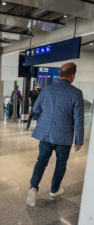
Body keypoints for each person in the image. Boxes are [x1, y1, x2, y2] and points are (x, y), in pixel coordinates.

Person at [26, 63, 84, 207]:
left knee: (41, 161)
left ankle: (33, 187)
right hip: (64, 137)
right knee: (61, 163)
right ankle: (54, 190)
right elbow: (79, 119)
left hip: (46, 133)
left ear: (59, 74)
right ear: (72, 76)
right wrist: (79, 140)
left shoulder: (47, 89)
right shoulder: (76, 93)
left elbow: (36, 108)